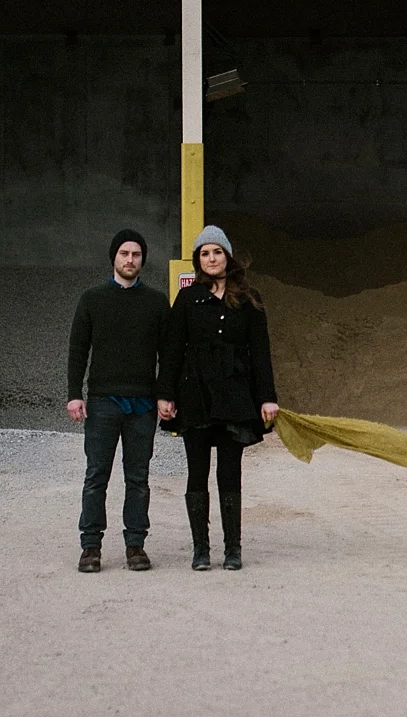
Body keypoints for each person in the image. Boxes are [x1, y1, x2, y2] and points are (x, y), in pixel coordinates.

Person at [158, 225, 279, 571]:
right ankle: (200, 550)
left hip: (235, 396)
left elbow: (261, 353)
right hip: (195, 394)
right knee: (197, 472)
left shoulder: (250, 298)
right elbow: (172, 350)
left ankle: (232, 549)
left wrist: (267, 398)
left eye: (217, 252)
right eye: (204, 253)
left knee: (230, 472)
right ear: (198, 260)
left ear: (228, 256)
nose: (211, 259)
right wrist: (165, 394)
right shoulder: (187, 299)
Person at [66, 227, 169, 574]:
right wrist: (74, 395)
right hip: (103, 403)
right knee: (97, 475)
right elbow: (78, 350)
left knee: (138, 478)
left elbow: (168, 354)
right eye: (124, 253)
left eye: (136, 254)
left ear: (143, 260)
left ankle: (135, 545)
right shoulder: (92, 299)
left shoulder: (156, 303)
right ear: (114, 257)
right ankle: (90, 547)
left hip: (142, 405)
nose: (130, 259)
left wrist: (165, 395)